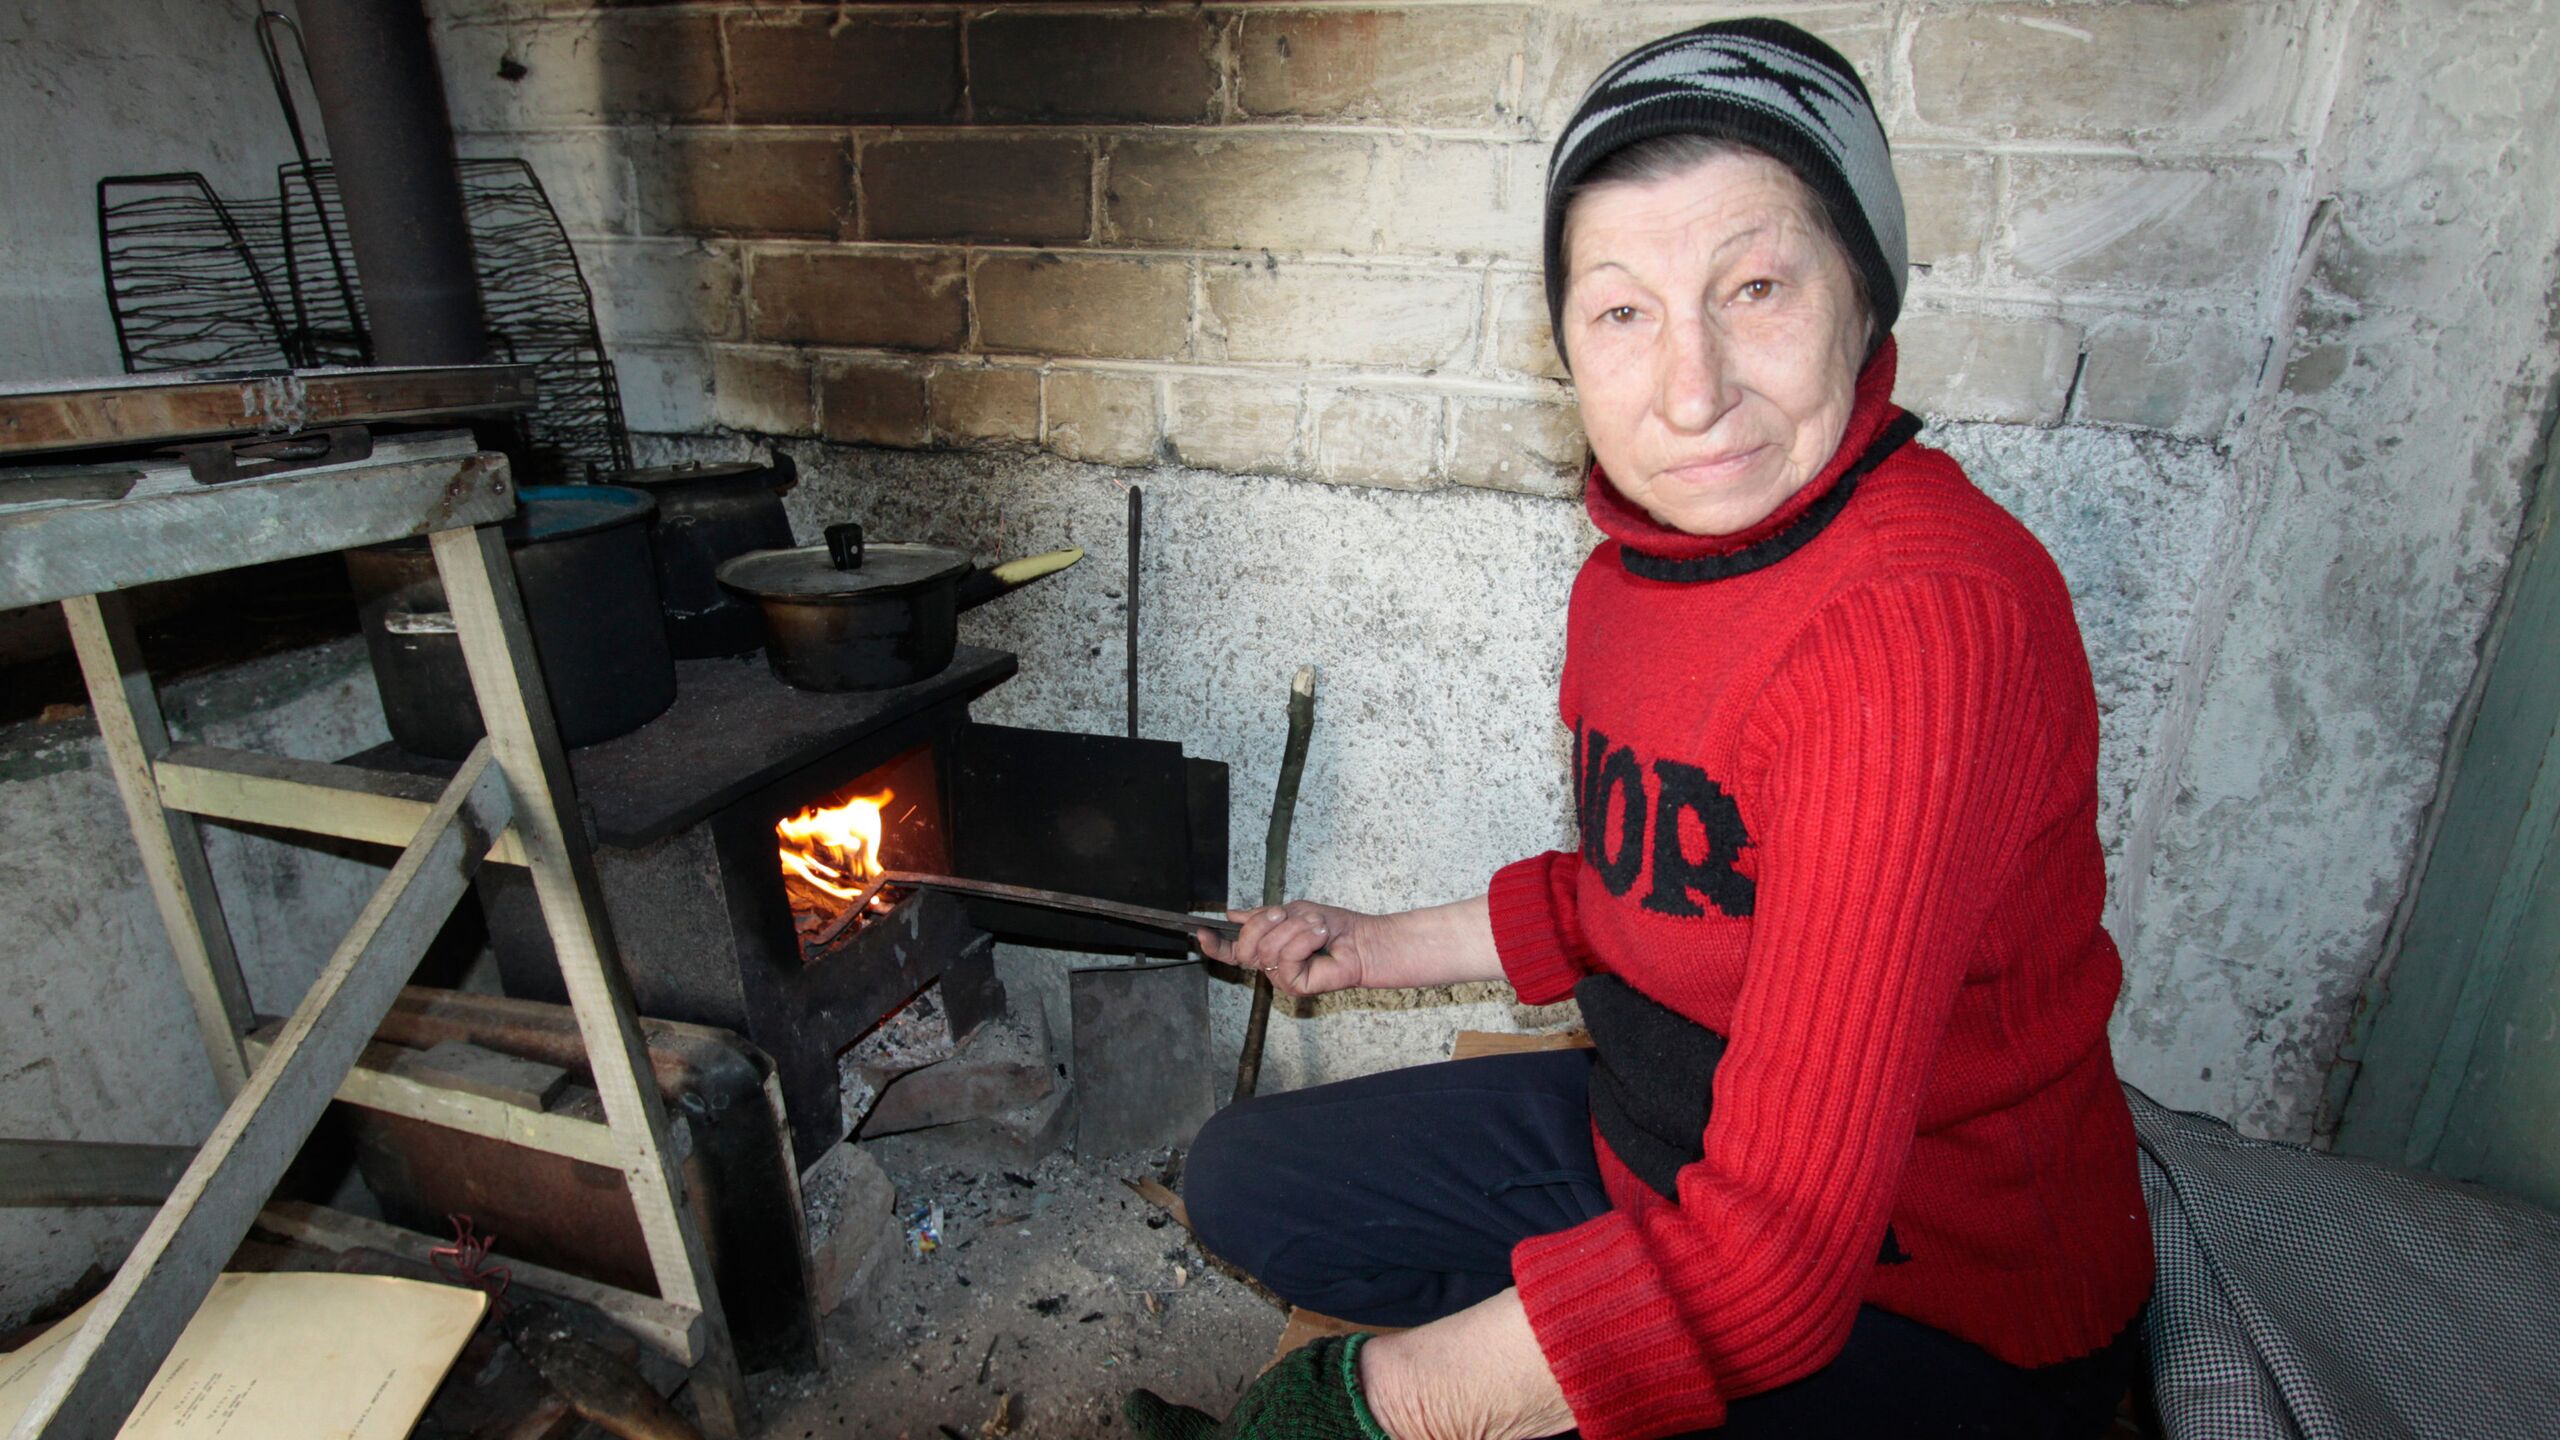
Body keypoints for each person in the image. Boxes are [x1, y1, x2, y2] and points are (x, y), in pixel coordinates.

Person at [1123, 19, 2154, 1440]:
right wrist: (1368, 945)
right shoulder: (1640, 570)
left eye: (1759, 288)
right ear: (1564, 346)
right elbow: (1649, 881)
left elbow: (1780, 1262)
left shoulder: (1920, 625)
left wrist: (1387, 1406)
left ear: (1866, 301)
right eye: (1622, 311)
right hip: (1655, 1151)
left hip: (1927, 1292)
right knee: (1249, 1181)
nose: (1691, 389)